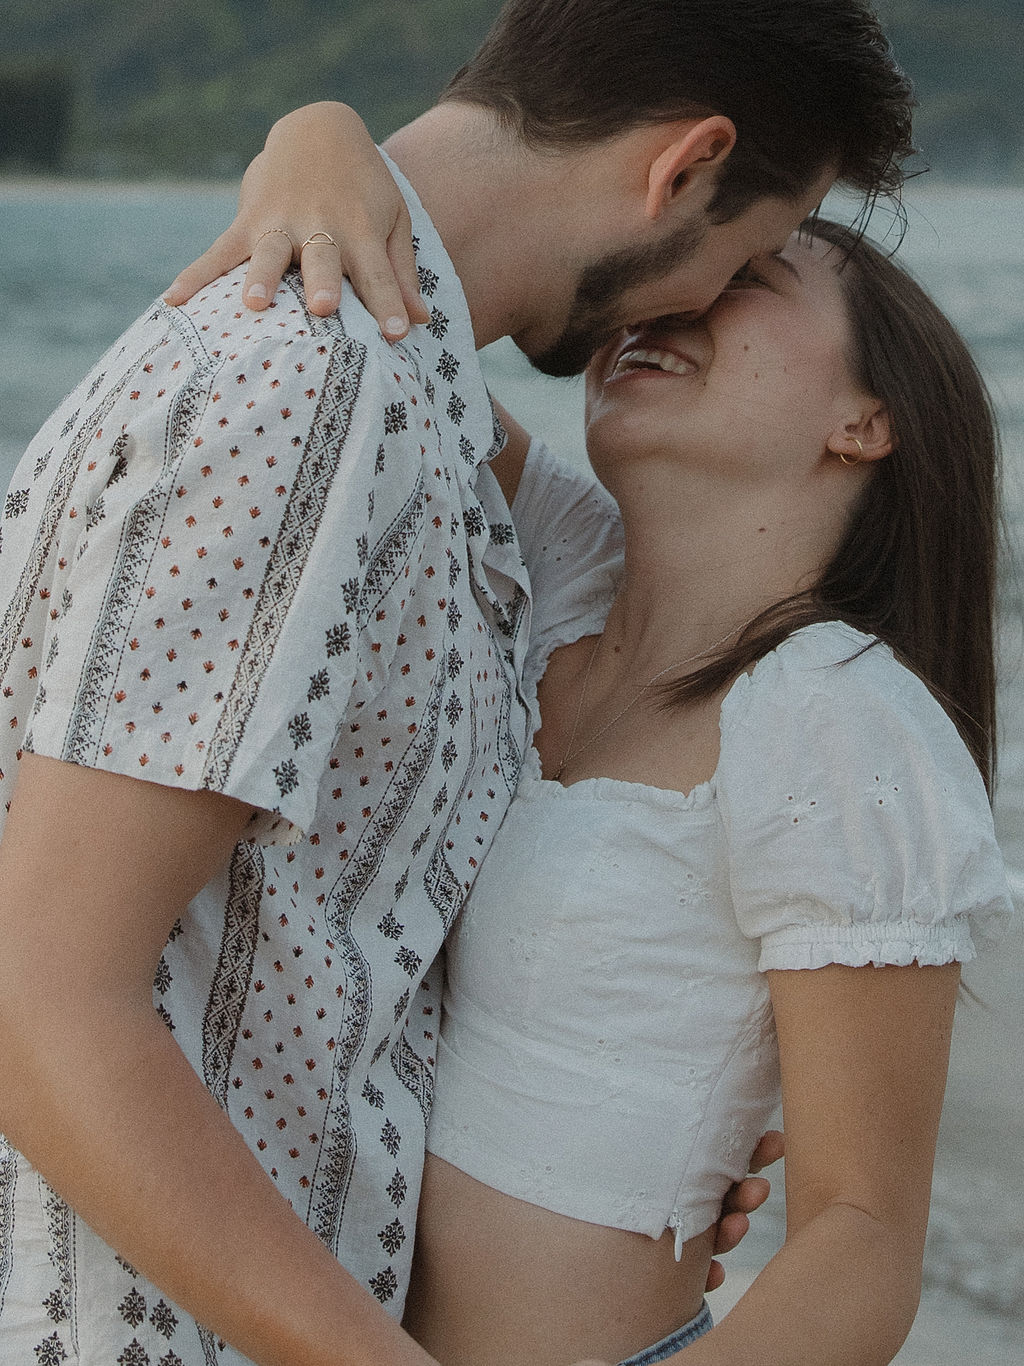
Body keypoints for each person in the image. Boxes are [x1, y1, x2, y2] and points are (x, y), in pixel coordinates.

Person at [0, 3, 917, 1364]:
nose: (703, 295)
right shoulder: (313, 389)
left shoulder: (395, 406)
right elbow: (38, 996)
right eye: (751, 247)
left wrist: (589, 1158)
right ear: (685, 168)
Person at [178, 129, 1014, 1361]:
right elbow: (385, 316)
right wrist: (311, 143)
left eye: (746, 284)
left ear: (866, 420)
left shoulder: (840, 718)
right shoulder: (560, 573)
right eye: (677, 281)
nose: (670, 305)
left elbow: (859, 1240)